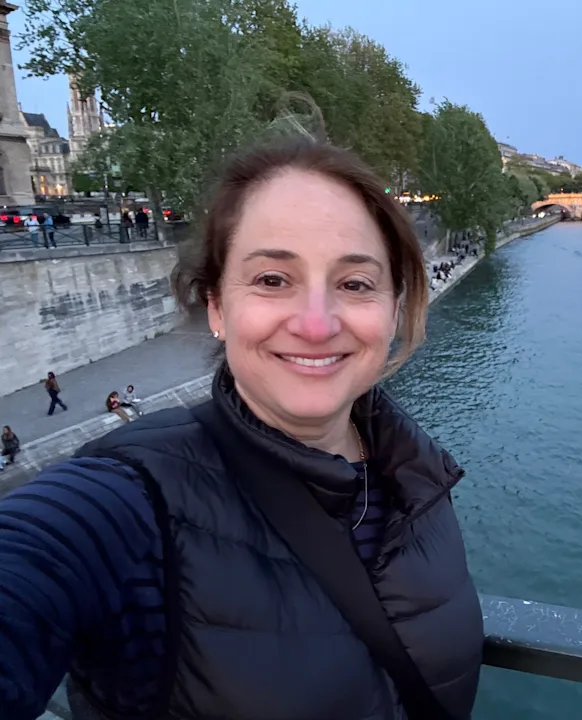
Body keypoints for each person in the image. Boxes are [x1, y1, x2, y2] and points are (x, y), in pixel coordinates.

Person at [0, 136, 483, 720]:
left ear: (393, 308)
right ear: (217, 308)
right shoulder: (128, 499)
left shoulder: (416, 474)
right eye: (273, 280)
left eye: (355, 284)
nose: (315, 323)